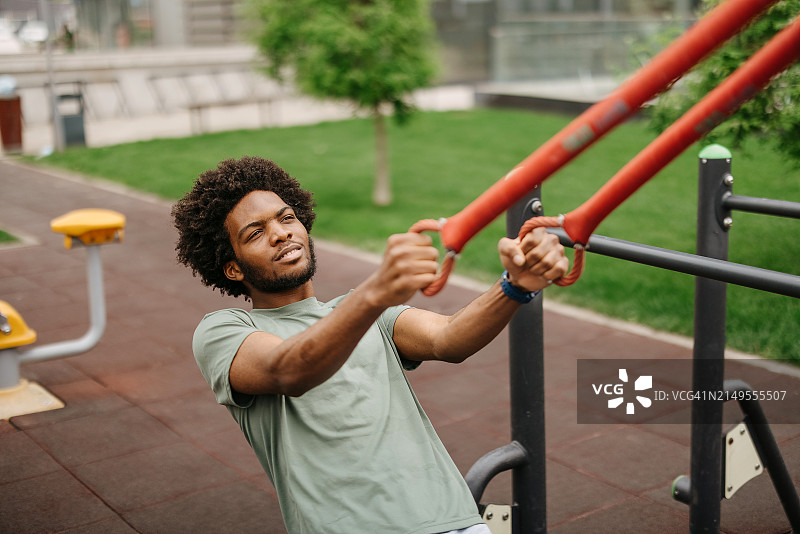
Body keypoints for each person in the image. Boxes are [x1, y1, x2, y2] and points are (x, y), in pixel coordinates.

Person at [171, 156, 568, 534]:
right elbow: (288, 370)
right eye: (255, 233)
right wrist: (375, 292)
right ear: (233, 267)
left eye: (286, 217)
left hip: (454, 519)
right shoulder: (224, 330)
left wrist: (514, 286)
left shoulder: (365, 312)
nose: (280, 233)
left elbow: (448, 338)